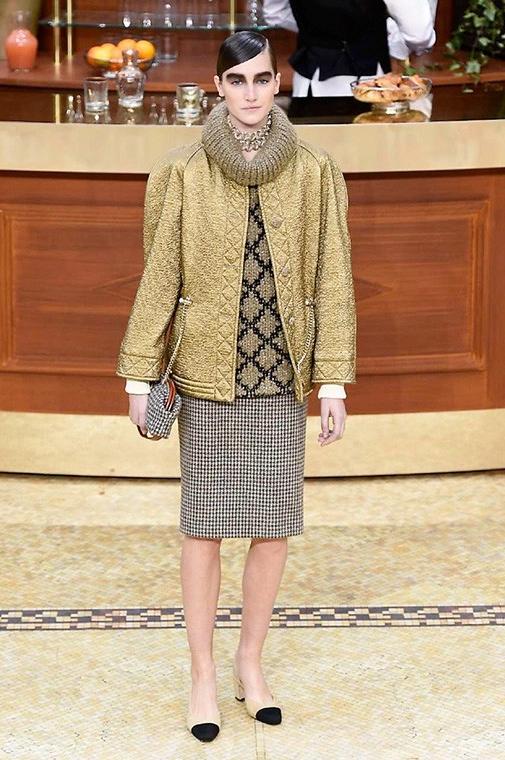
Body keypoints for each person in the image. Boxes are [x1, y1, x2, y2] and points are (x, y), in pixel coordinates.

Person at [117, 31, 356, 743]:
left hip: (280, 373)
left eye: (262, 78)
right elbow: (160, 275)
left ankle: (250, 664)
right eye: (237, 80)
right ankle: (202, 673)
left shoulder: (315, 170)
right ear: (217, 87)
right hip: (207, 373)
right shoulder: (181, 172)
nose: (251, 92)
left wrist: (333, 381)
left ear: (278, 82)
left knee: (273, 527)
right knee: (204, 527)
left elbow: (333, 278)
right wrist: (139, 370)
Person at [263, 0, 437, 97]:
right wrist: (411, 47)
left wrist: (318, 32)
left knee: (311, 148)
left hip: (310, 79)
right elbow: (419, 34)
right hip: (370, 83)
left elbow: (275, 14)